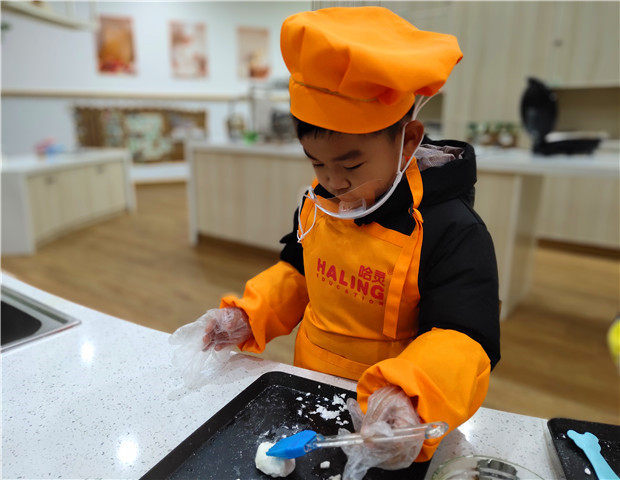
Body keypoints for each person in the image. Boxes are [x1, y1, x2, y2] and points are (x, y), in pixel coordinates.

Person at [196, 6, 500, 478]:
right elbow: (300, 273)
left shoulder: (452, 229)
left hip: (392, 426)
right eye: (317, 163)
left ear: (408, 140)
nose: (333, 182)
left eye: (351, 165)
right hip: (309, 392)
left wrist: (409, 397)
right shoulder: (320, 203)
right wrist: (249, 314)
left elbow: (462, 337)